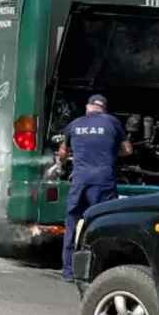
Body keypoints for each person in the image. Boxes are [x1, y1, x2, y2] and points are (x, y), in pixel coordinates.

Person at [58, 94, 133, 282]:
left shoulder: (74, 125)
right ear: (103, 109)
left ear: (87, 107)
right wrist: (110, 151)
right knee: (103, 224)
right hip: (103, 181)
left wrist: (64, 159)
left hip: (80, 181)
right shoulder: (112, 122)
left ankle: (68, 272)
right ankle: (99, 271)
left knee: (72, 225)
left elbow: (62, 153)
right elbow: (128, 150)